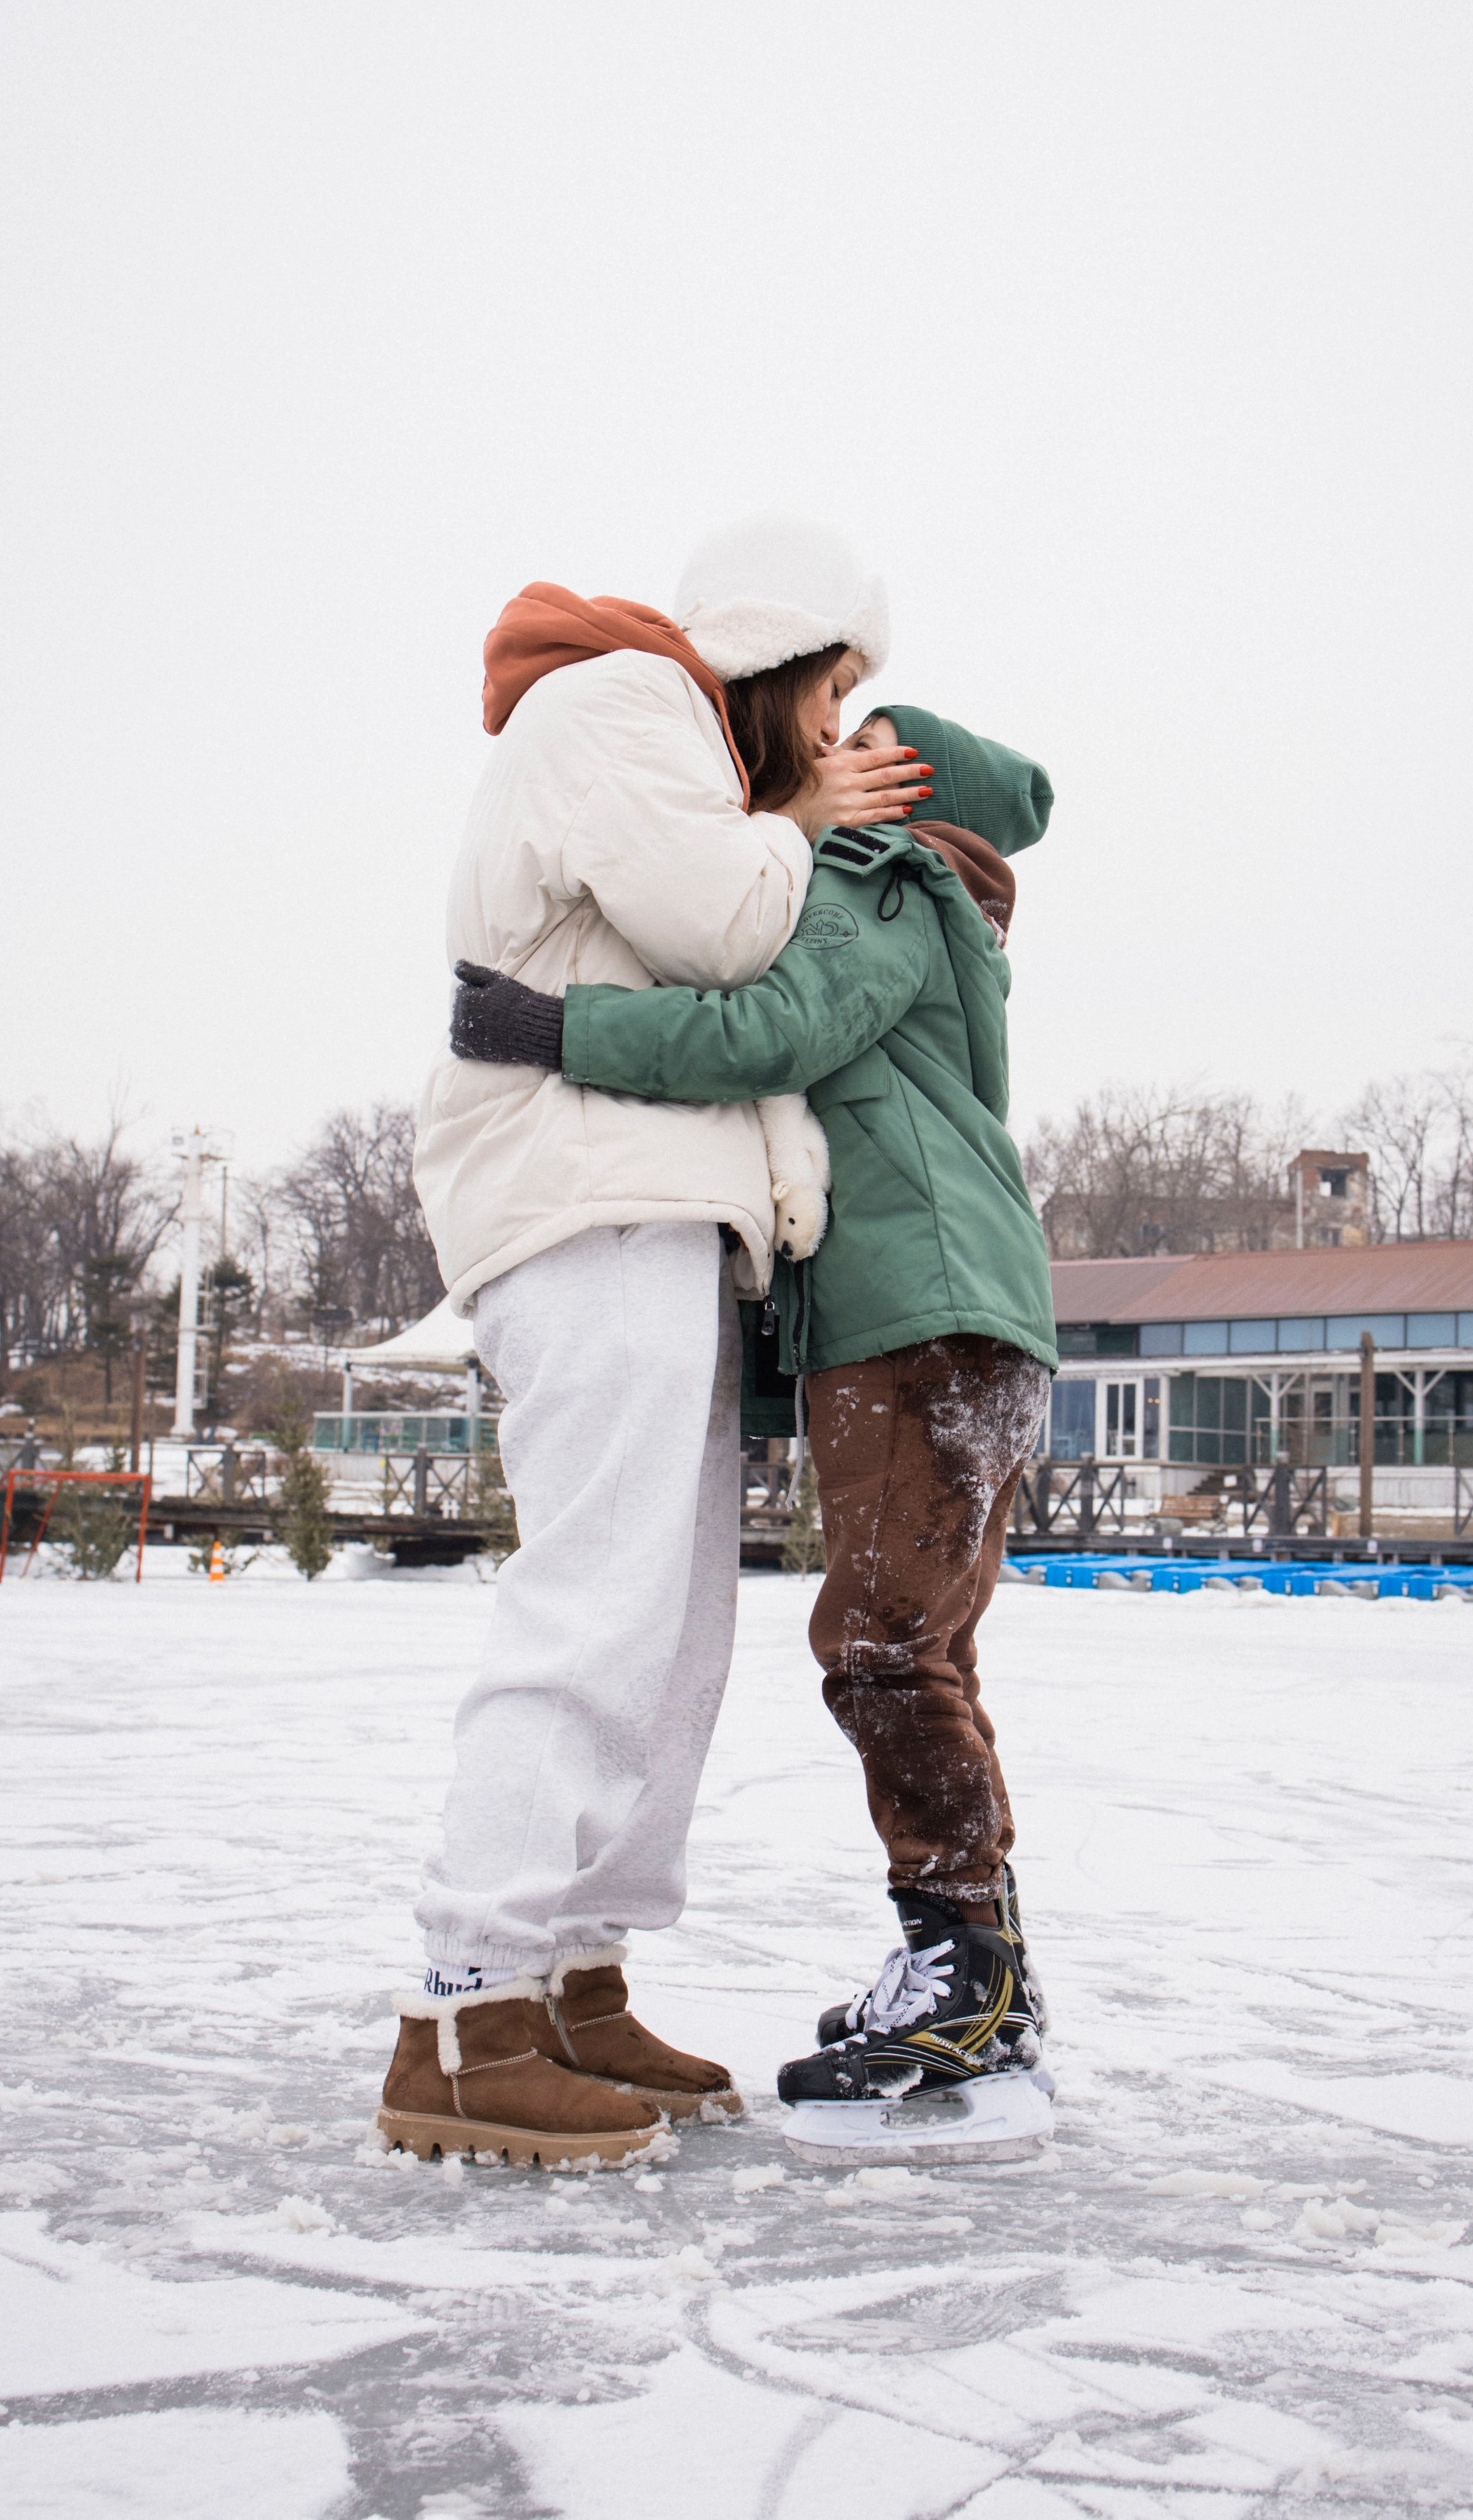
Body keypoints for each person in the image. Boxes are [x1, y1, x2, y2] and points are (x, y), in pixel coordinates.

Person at [378, 516, 926, 2171]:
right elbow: (724, 932)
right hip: (581, 1198)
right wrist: (806, 826)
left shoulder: (689, 755)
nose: (841, 733)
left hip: (654, 1209)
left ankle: (572, 1975)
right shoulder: (621, 703)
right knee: (596, 1597)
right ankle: (467, 2008)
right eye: (837, 689)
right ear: (781, 650)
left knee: (672, 1626)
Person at [450, 698, 1060, 2114]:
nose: (827, 756)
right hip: (956, 1318)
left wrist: (555, 1024)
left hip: (922, 1320)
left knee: (881, 1648)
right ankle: (980, 1970)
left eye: (863, 746)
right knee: (917, 1649)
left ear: (900, 790)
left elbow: (773, 1029)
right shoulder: (938, 910)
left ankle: (964, 1967)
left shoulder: (877, 880)